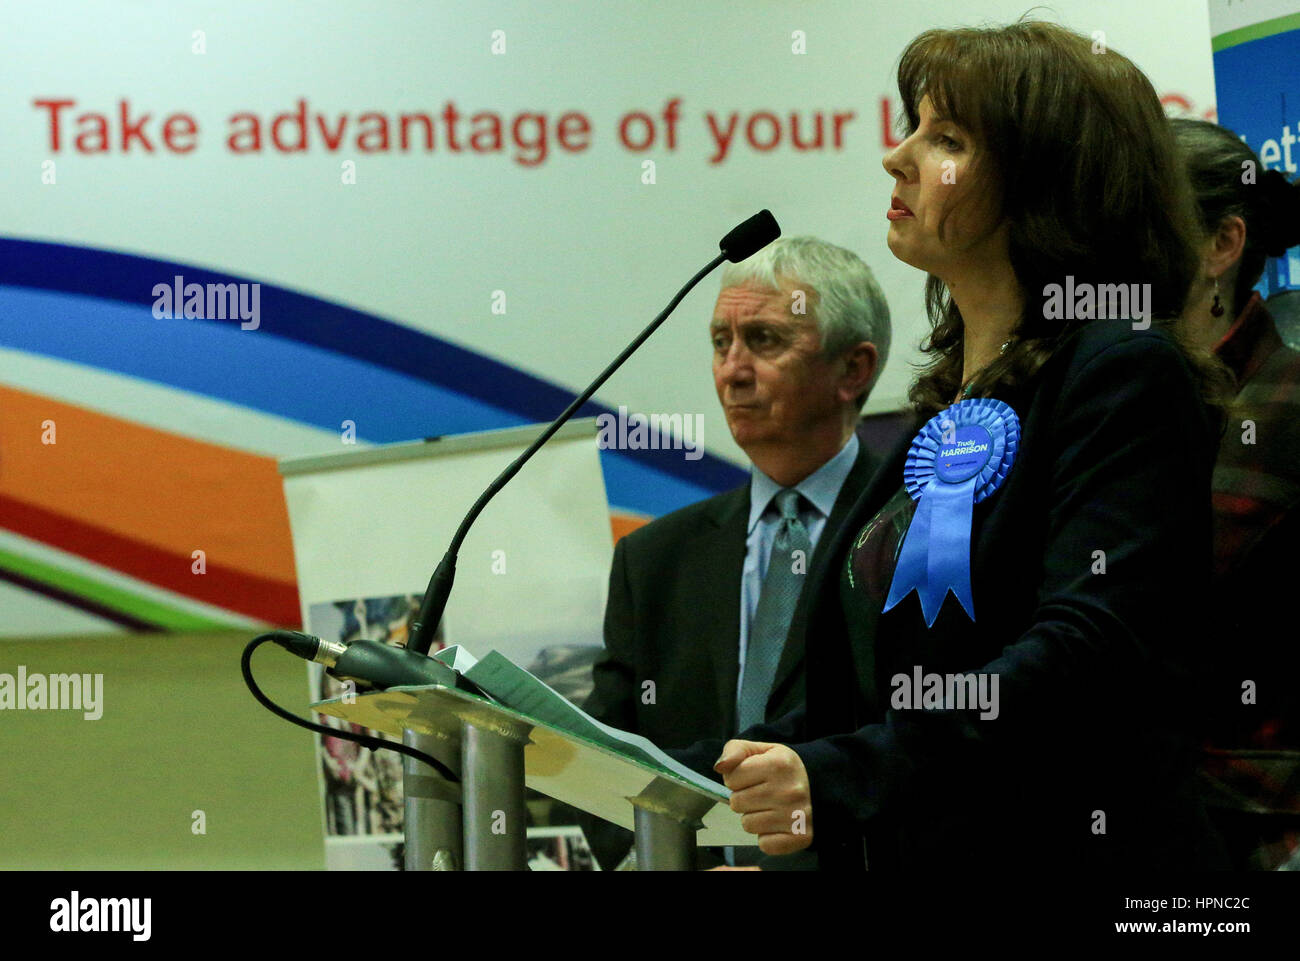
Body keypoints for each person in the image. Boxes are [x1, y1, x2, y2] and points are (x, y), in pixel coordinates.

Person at [669, 19, 1234, 870]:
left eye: (946, 139)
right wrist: (716, 771)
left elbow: (1086, 654)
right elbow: (875, 676)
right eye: (911, 128)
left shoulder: (1123, 373)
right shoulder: (943, 410)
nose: (897, 156)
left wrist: (840, 774)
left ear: (1047, 181)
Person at [580, 236, 891, 870]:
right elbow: (600, 768)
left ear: (852, 370)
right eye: (722, 342)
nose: (733, 369)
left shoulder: (913, 530)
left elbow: (926, 754)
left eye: (766, 340)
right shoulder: (654, 561)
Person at [1172, 118, 1300, 870]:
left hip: (1255, 834)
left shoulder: (1286, 405)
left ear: (1222, 246)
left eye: (1135, 222)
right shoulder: (1119, 395)